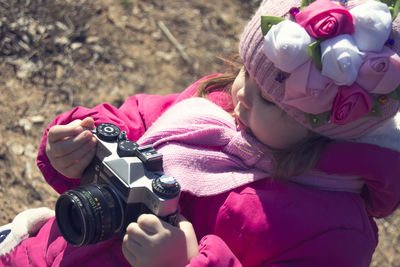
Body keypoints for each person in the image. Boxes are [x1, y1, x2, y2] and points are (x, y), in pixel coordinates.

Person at [1, 0, 400, 266]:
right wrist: (79, 142)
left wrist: (187, 260)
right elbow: (135, 120)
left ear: (327, 133)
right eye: (246, 71)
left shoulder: (333, 229)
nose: (240, 92)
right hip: (48, 251)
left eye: (269, 100)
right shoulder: (215, 107)